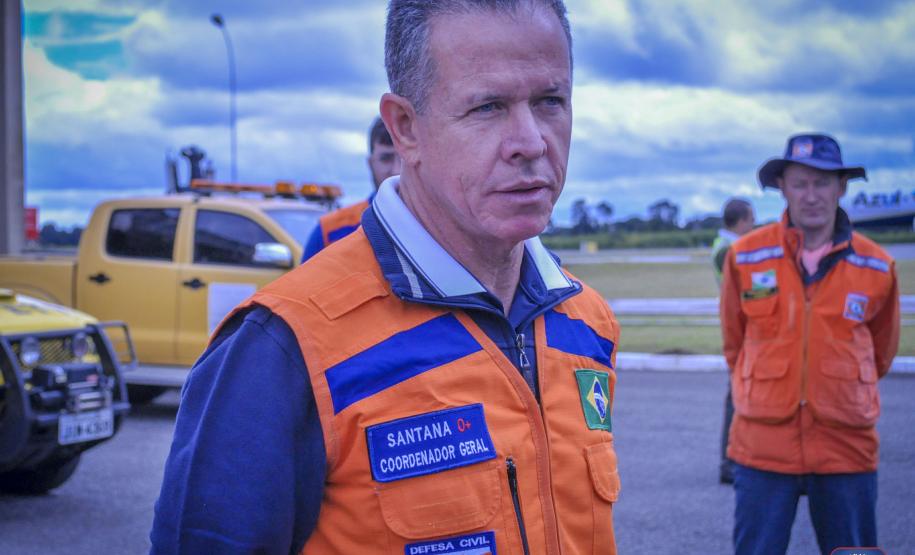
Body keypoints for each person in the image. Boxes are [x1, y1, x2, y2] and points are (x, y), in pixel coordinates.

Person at [150, 1, 622, 554]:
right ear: (405, 128)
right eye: (488, 107)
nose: (532, 141)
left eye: (550, 101)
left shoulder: (586, 321)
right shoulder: (286, 348)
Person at [720, 133, 899, 555]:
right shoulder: (744, 257)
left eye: (822, 183)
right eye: (800, 183)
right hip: (761, 447)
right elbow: (734, 344)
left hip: (846, 448)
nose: (811, 195)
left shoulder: (877, 265)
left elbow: (882, 352)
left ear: (841, 187)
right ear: (783, 188)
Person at [300, 117, 402, 262]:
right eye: (386, 158)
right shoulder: (330, 232)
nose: (396, 170)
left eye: (403, 157)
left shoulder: (437, 228)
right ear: (370, 163)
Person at [710, 198, 754, 485]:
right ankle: (729, 462)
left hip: (739, 322)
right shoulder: (729, 250)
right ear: (741, 221)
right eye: (751, 220)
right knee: (736, 396)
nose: (753, 226)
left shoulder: (723, 246)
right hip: (741, 325)